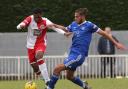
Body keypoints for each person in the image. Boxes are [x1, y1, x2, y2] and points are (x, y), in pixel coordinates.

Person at [46, 8, 125, 89]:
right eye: (75, 16)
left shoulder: (89, 25)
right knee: (69, 77)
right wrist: (54, 25)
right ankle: (85, 86)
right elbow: (66, 28)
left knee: (57, 69)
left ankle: (49, 88)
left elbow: (104, 34)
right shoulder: (74, 24)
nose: (75, 18)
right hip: (72, 53)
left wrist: (116, 43)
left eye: (77, 17)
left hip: (79, 55)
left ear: (82, 16)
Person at [16, 8, 68, 86]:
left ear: (41, 15)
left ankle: (48, 81)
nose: (37, 19)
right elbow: (20, 25)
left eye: (38, 17)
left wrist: (64, 33)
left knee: (39, 56)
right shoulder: (30, 18)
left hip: (41, 43)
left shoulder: (45, 21)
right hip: (30, 45)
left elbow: (54, 27)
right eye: (35, 17)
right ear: (33, 15)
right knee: (34, 67)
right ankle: (42, 77)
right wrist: (21, 26)